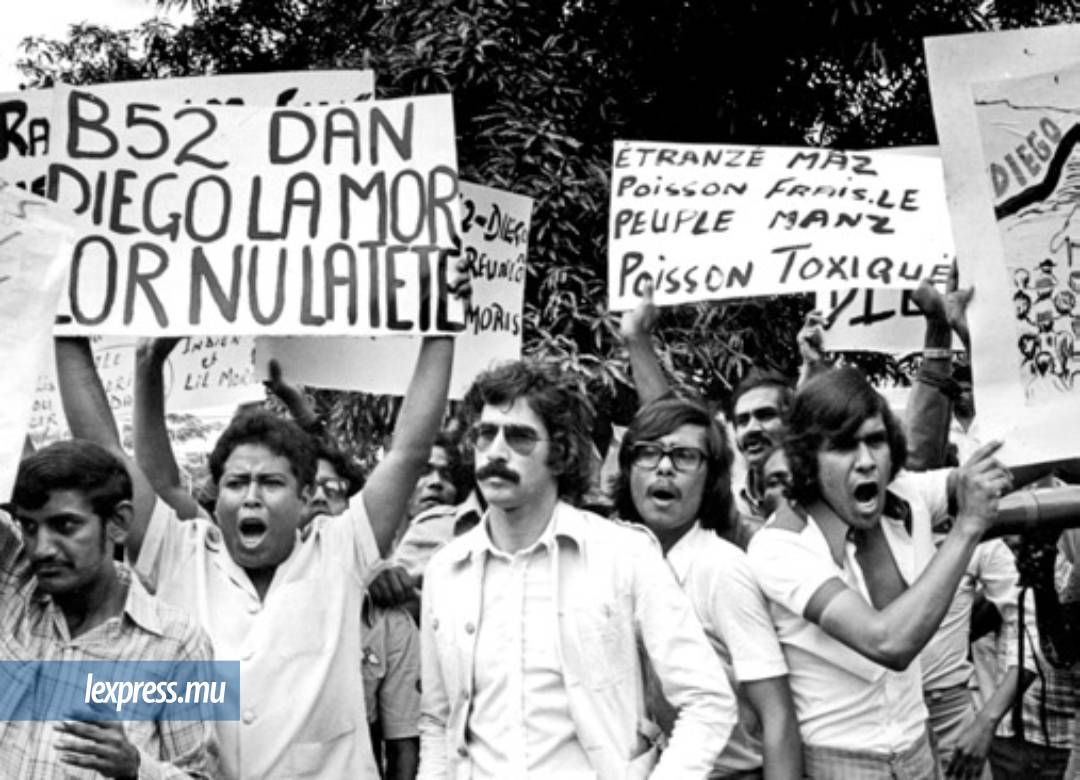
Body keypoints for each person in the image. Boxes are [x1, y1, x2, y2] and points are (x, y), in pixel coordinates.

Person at [58, 297, 463, 778]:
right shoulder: (179, 551)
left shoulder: (339, 550)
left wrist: (441, 320)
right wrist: (65, 315)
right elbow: (103, 447)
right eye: (236, 483)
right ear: (217, 495)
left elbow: (407, 452)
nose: (250, 498)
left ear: (305, 496)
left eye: (270, 483)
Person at [419, 359, 737, 778]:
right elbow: (438, 722)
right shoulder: (446, 570)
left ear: (561, 452)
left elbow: (708, 700)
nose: (496, 452)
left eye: (519, 437)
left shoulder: (623, 555)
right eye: (485, 434)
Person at [747, 366, 1013, 778]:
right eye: (842, 447)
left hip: (920, 750)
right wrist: (967, 528)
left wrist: (965, 333)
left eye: (875, 441)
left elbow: (991, 472)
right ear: (807, 460)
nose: (866, 462)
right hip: (841, 764)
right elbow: (888, 642)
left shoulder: (906, 495)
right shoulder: (780, 546)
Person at [0, 440, 219, 779]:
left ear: (118, 522)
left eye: (65, 526)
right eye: (29, 527)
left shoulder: (176, 644)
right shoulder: (16, 583)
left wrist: (134, 766)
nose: (42, 548)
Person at [613, 396, 802, 778]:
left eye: (684, 456)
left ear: (712, 477)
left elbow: (777, 712)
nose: (664, 468)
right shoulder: (612, 559)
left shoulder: (722, 569)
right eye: (648, 453)